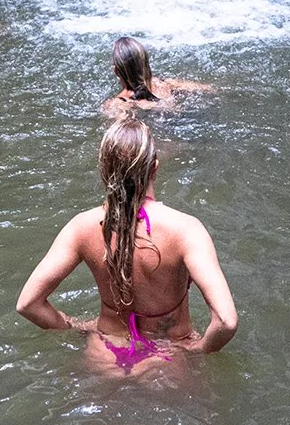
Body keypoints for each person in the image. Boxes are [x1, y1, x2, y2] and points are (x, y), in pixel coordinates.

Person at [15, 115, 237, 370]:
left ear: (104, 170)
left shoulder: (81, 227)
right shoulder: (185, 229)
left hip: (104, 355)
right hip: (166, 360)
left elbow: (28, 304)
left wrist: (72, 326)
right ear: (154, 167)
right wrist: (198, 350)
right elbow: (225, 321)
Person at [102, 35, 213, 115]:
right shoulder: (164, 83)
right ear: (145, 63)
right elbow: (208, 89)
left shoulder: (120, 102)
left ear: (116, 70)